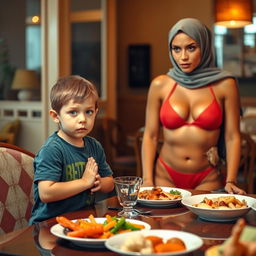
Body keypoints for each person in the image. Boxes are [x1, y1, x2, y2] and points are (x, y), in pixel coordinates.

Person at [141, 18, 245, 194]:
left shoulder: (225, 84)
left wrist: (231, 180)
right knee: (163, 222)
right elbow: (150, 135)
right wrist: (147, 179)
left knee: (204, 222)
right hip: (164, 174)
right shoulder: (160, 85)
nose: (183, 57)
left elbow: (232, 136)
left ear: (204, 47)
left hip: (207, 176)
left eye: (191, 47)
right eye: (176, 49)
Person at [29, 75, 114, 224]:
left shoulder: (94, 146)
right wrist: (85, 182)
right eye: (73, 112)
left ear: (96, 111)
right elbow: (46, 192)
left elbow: (110, 183)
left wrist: (99, 182)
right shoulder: (52, 150)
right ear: (56, 116)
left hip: (83, 221)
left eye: (89, 112)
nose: (82, 119)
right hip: (48, 225)